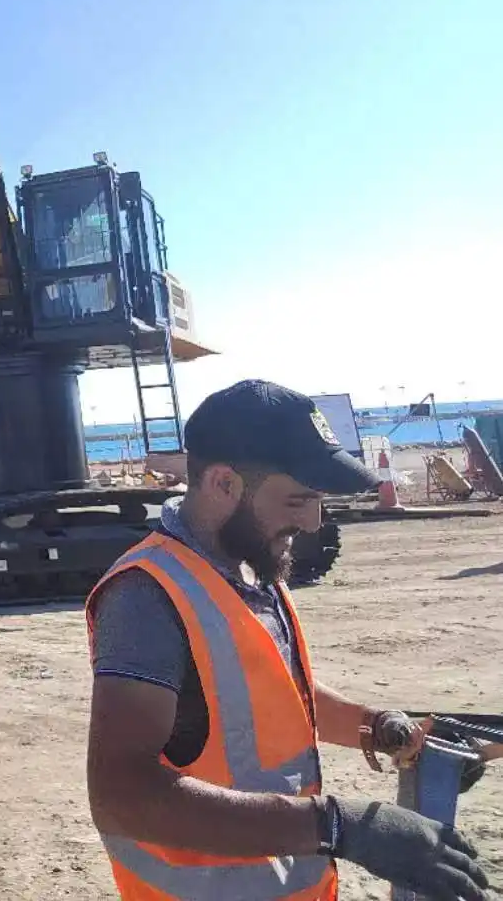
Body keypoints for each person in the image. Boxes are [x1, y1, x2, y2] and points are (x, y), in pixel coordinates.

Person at [85, 379, 494, 901]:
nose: (312, 521)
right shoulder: (146, 595)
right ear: (223, 484)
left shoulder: (251, 570)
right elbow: (122, 796)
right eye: (298, 500)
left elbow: (271, 700)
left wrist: (373, 724)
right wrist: (338, 825)